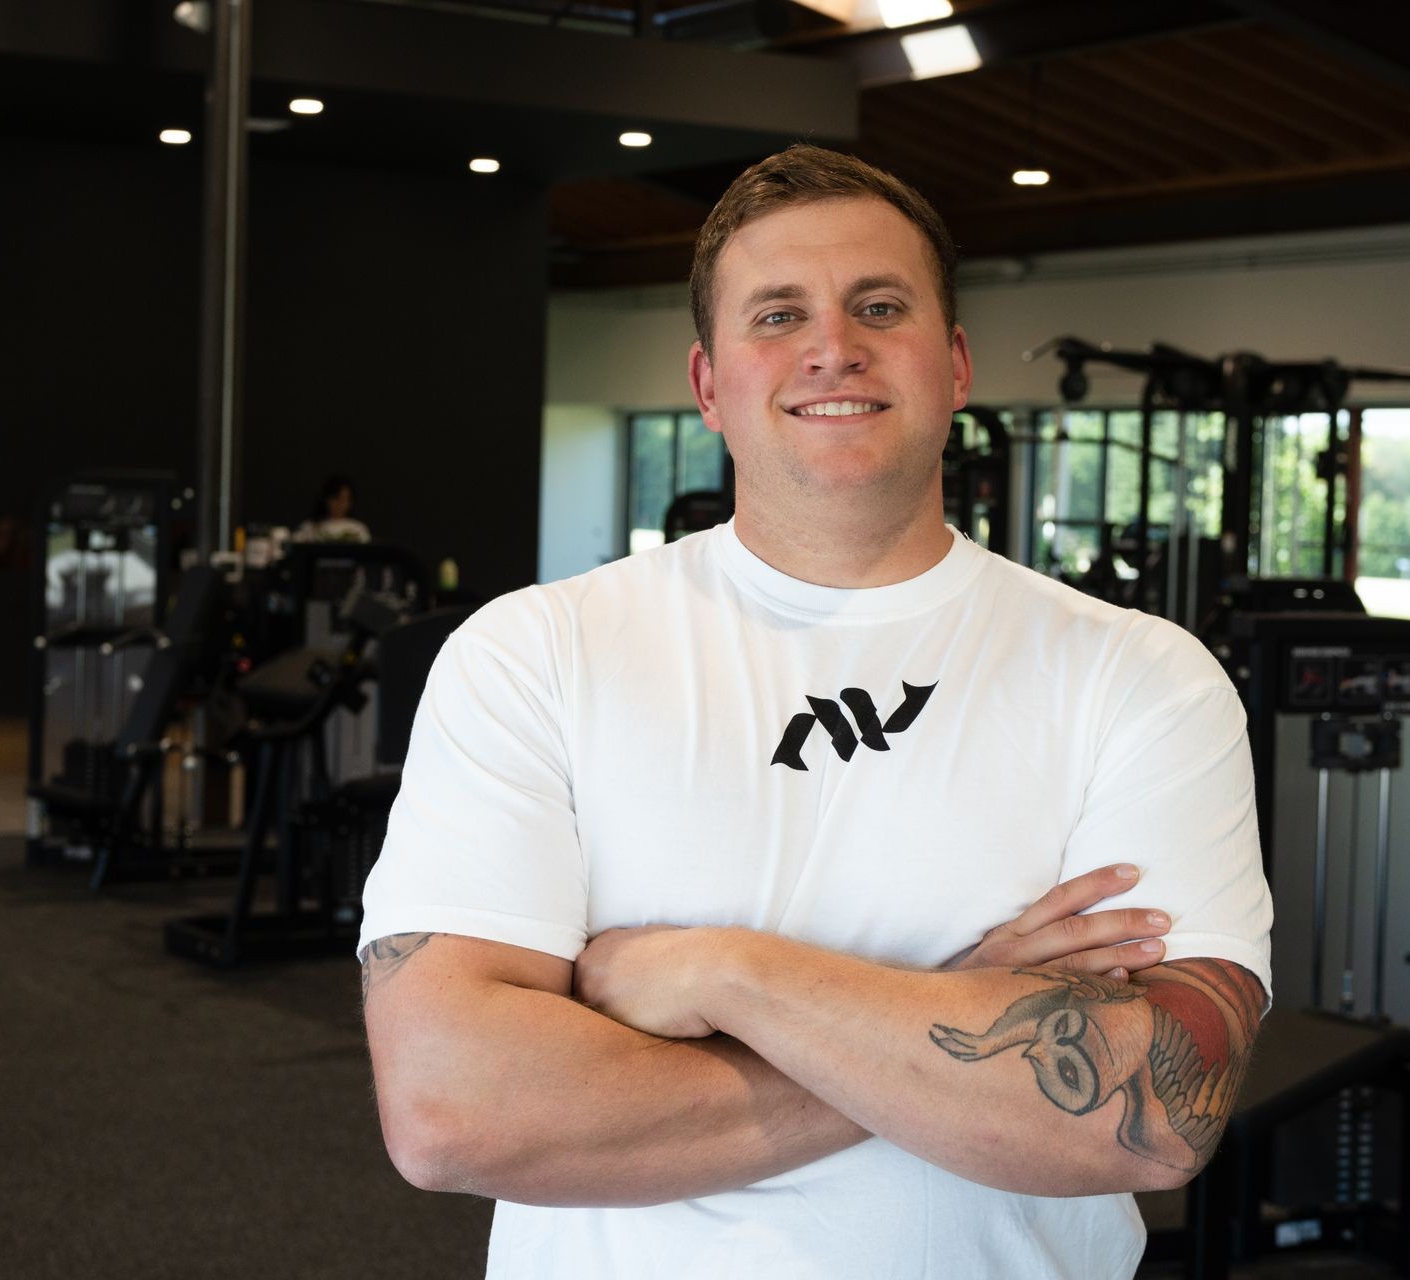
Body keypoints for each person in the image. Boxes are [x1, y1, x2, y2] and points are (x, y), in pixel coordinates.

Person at [357, 145, 1272, 1279]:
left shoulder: (1142, 676)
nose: (833, 345)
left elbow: (1151, 1112)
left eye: (878, 305)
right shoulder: (532, 653)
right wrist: (967, 1009)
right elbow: (455, 1110)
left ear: (954, 362)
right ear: (706, 384)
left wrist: (721, 972)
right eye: (779, 313)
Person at [293, 473, 371, 543]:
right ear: (327, 499)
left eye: (345, 500)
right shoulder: (310, 528)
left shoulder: (358, 529)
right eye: (336, 498)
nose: (340, 504)